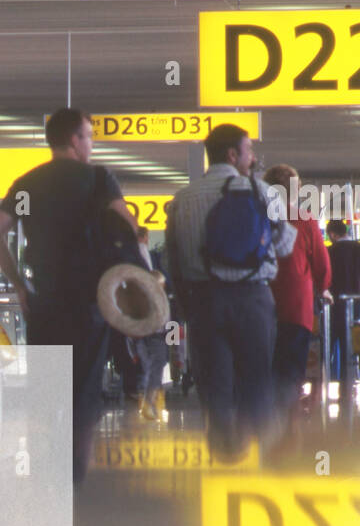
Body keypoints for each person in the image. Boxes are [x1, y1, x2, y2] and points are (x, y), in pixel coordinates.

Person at [0, 107, 138, 478]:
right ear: (75, 139)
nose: (90, 144)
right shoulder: (99, 179)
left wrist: (20, 284)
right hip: (91, 300)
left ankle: (45, 471)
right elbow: (129, 229)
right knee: (84, 391)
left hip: (44, 302)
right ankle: (75, 473)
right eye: (89, 136)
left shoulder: (27, 183)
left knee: (46, 387)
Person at [164, 123, 296, 461]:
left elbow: (173, 259)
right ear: (233, 154)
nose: (252, 159)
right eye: (249, 151)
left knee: (214, 385)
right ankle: (260, 458)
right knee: (256, 379)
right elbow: (283, 245)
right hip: (253, 299)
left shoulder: (183, 199)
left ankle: (223, 459)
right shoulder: (262, 192)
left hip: (204, 301)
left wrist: (185, 304)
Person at [265, 164, 331, 416]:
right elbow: (321, 263)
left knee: (265, 364)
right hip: (296, 305)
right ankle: (289, 419)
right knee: (292, 366)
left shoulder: (258, 216)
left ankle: (266, 422)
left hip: (261, 303)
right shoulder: (305, 219)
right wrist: (324, 288)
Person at [325, 219, 360, 381]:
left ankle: (332, 380)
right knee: (356, 347)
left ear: (332, 234)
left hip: (333, 309)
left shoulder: (328, 252)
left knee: (331, 347)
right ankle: (357, 379)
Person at [128, 228, 170, 421]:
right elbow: (170, 322)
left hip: (142, 337)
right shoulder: (163, 301)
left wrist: (132, 343)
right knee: (156, 369)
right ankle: (149, 402)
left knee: (148, 368)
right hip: (158, 338)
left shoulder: (139, 300)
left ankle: (146, 400)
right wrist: (174, 345)